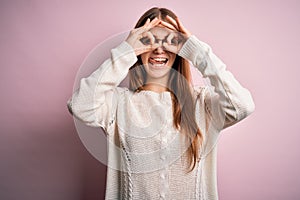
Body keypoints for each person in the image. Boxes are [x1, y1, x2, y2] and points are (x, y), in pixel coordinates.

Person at [67, 7, 255, 200]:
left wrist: (197, 52)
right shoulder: (117, 103)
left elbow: (242, 105)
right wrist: (125, 52)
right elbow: (81, 106)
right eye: (148, 41)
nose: (158, 49)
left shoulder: (202, 103)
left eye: (169, 41)